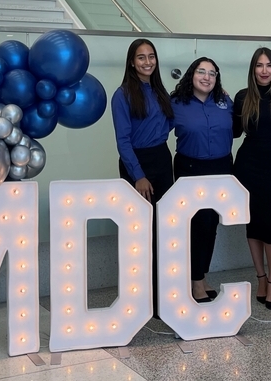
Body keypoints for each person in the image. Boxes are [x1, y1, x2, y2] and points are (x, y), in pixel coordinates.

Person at [111, 38, 175, 316]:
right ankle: (139, 298)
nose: (147, 62)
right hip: (137, 164)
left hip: (162, 159)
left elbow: (170, 123)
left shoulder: (160, 91)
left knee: (162, 231)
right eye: (141, 57)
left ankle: (161, 296)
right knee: (139, 232)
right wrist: (138, 176)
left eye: (151, 56)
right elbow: (123, 141)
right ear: (131, 62)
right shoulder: (122, 95)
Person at [170, 57, 234, 303]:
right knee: (196, 225)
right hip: (190, 167)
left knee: (211, 225)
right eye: (201, 72)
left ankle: (201, 276)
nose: (207, 77)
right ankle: (195, 281)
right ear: (191, 75)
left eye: (212, 73)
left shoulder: (224, 101)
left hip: (221, 166)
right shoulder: (176, 102)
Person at [232, 47, 271, 310]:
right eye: (259, 65)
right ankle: (261, 278)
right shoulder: (242, 96)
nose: (264, 70)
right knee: (253, 223)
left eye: (269, 65)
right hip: (247, 166)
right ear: (253, 69)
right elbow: (233, 132)